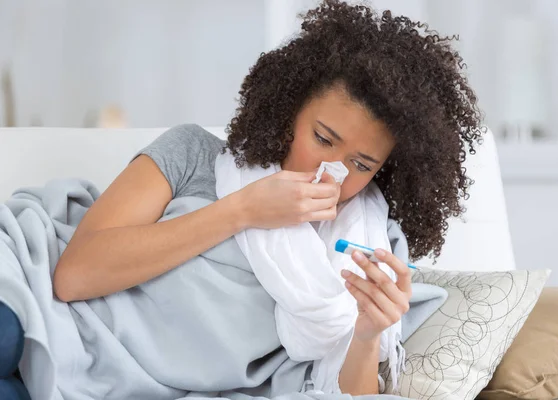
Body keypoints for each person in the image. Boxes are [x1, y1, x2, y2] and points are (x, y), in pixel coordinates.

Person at [1, 1, 482, 398]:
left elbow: (344, 391)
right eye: (322, 137)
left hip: (99, 384)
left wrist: (368, 333)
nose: (331, 171)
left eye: (361, 164)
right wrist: (244, 210)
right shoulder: (192, 155)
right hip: (38, 307)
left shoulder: (371, 249)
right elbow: (73, 275)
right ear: (289, 109)